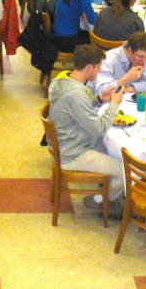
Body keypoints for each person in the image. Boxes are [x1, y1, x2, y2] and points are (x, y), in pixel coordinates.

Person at [47, 44, 127, 216]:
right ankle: (103, 201)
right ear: (89, 68)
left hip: (65, 144)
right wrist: (114, 104)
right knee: (126, 171)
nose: (99, 71)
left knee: (115, 152)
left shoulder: (64, 81)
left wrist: (99, 98)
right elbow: (99, 129)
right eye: (98, 68)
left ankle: (106, 191)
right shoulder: (77, 94)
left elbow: (75, 108)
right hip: (73, 153)